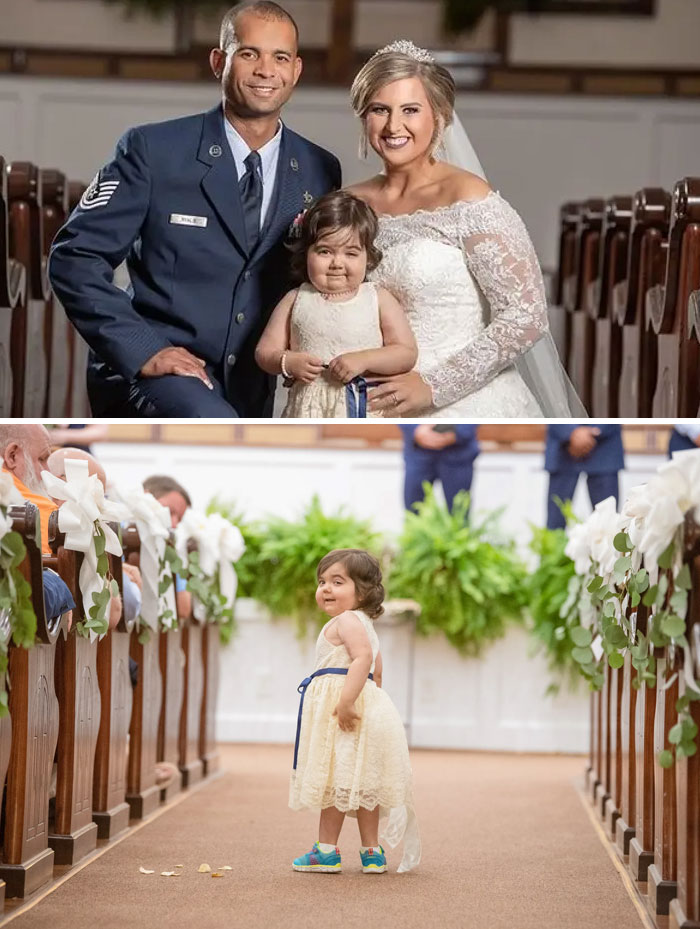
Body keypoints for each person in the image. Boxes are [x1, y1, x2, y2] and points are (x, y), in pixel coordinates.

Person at [48, 1, 341, 418]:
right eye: (249, 53)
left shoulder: (319, 169)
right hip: (154, 373)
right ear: (218, 61)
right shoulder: (153, 150)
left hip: (251, 386)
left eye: (280, 57)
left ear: (296, 70)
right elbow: (74, 258)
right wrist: (144, 350)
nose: (265, 70)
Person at [346, 40, 582, 418]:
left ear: (438, 116)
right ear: (364, 117)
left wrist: (434, 386)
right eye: (380, 110)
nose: (394, 126)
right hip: (361, 397)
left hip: (463, 403)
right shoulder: (347, 203)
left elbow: (526, 315)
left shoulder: (469, 198)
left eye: (410, 110)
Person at [290, 549, 419, 874]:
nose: (326, 588)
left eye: (337, 581)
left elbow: (362, 659)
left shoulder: (346, 621)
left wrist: (346, 702)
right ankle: (371, 852)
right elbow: (376, 668)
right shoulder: (365, 624)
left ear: (363, 591)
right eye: (322, 582)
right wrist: (369, 703)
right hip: (369, 708)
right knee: (364, 782)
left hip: (345, 708)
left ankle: (326, 851)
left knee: (336, 779)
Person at [255, 191, 417, 416]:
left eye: (351, 253)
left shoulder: (377, 298)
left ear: (367, 257)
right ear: (306, 253)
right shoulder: (295, 298)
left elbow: (406, 353)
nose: (337, 263)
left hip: (362, 405)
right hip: (307, 409)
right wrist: (286, 361)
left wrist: (364, 359)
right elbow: (264, 351)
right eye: (325, 251)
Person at [545, 425, 624, 530]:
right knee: (554, 527)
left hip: (605, 449)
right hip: (562, 449)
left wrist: (592, 431)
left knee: (607, 525)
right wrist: (570, 433)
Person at [142, 474, 192, 618]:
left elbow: (184, 608)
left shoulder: (169, 548)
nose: (174, 524)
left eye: (179, 519)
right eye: (170, 512)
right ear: (146, 497)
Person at [399, 424, 479, 513]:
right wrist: (415, 430)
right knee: (414, 512)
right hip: (418, 454)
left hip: (459, 454)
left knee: (459, 514)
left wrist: (459, 433)